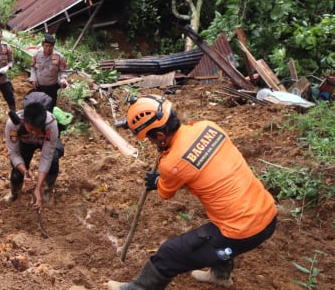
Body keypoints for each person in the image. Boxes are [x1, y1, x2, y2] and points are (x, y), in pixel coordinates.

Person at [107, 95, 277, 290]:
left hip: (244, 231)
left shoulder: (172, 163)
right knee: (215, 228)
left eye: (150, 138)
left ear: (160, 136)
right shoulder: (208, 126)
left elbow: (165, 193)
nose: (151, 142)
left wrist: (157, 182)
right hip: (267, 213)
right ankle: (220, 275)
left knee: (170, 253)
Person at [4, 93, 64, 211]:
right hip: (25, 143)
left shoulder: (51, 125)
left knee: (53, 159)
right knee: (17, 172)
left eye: (38, 129)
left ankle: (47, 190)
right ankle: (15, 192)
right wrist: (25, 172)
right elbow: (14, 153)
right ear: (24, 121)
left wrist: (38, 187)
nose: (34, 133)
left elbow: (46, 156)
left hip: (45, 142)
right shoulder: (12, 125)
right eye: (31, 129)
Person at [29, 33, 67, 112]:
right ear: (43, 45)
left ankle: (49, 121)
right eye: (46, 46)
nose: (48, 48)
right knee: (39, 107)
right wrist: (33, 79)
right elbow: (33, 67)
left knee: (51, 107)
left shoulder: (59, 57)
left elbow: (63, 71)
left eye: (51, 46)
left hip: (52, 87)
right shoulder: (36, 55)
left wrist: (63, 80)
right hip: (39, 86)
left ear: (53, 46)